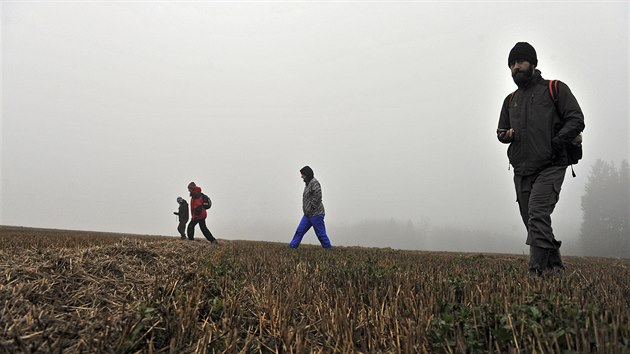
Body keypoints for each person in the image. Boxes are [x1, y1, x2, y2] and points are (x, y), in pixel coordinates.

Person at [497, 42, 585, 277]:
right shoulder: (510, 100)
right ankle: (555, 269)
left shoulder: (555, 89)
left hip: (552, 165)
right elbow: (500, 132)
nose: (516, 67)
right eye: (512, 64)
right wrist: (506, 136)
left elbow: (576, 119)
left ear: (533, 63)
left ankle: (535, 273)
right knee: (533, 222)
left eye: (521, 62)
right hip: (521, 170)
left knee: (537, 214)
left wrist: (556, 143)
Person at [289, 166, 332, 249]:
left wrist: (311, 208)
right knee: (299, 231)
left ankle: (328, 249)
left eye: (303, 175)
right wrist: (307, 211)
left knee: (320, 234)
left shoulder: (315, 183)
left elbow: (317, 197)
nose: (301, 176)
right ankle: (292, 247)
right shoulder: (308, 184)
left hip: (316, 214)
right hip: (307, 215)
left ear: (307, 174)